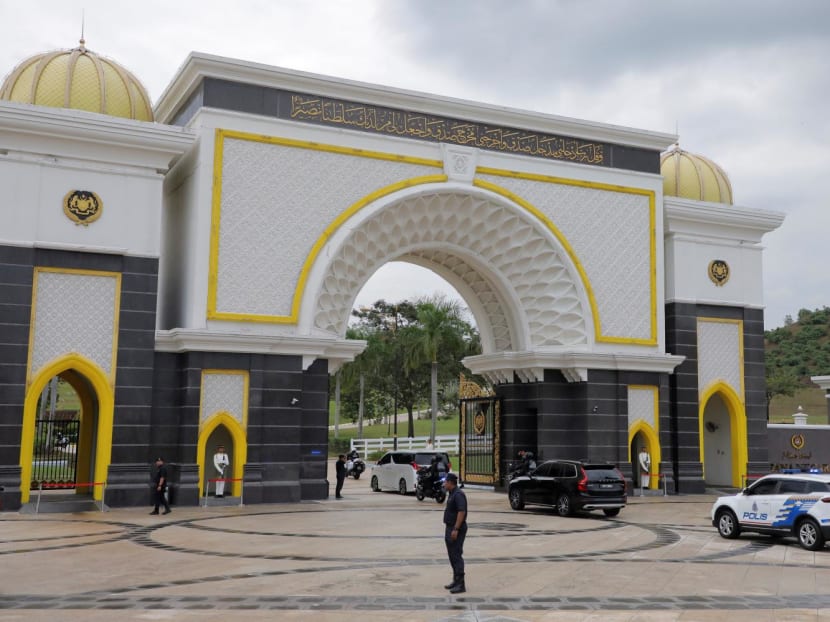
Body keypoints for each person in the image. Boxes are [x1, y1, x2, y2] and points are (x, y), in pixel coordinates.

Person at [442, 472, 467, 594]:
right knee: (452, 555)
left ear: (450, 483)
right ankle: (456, 580)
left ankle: (461, 584)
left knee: (456, 555)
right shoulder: (452, 493)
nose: (444, 483)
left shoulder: (458, 495)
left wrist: (456, 529)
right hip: (450, 527)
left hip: (456, 528)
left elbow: (461, 512)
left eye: (445, 482)